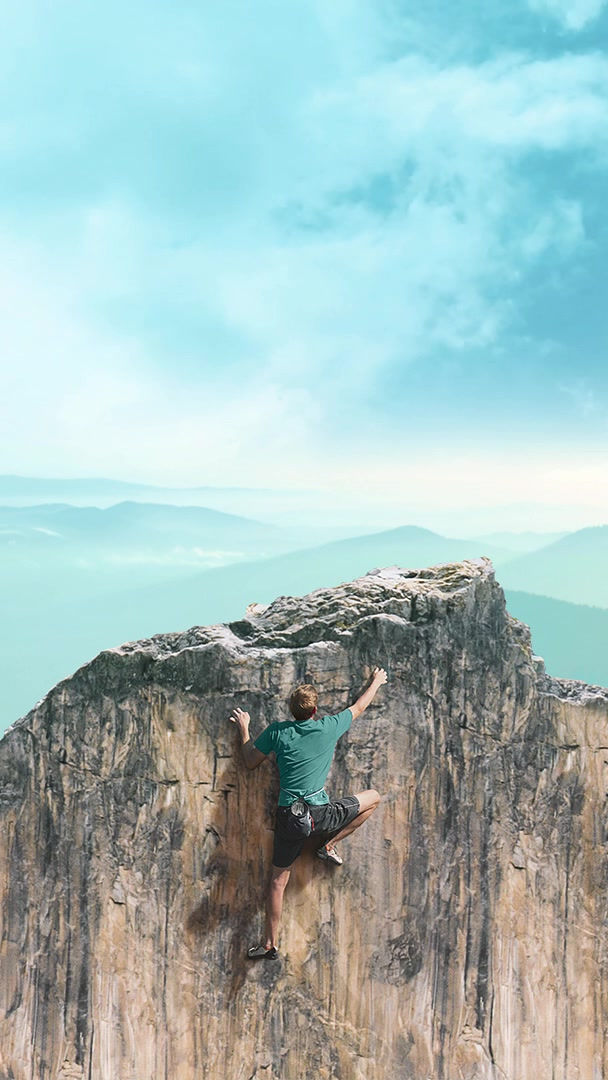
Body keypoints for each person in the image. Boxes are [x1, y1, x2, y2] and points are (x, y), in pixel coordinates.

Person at [229, 666, 388, 960]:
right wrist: (376, 681)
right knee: (374, 798)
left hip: (289, 818)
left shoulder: (278, 732)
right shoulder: (328, 726)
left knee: (277, 882)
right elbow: (359, 706)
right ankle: (329, 844)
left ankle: (269, 944)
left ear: (292, 711)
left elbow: (250, 760)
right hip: (321, 814)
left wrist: (244, 728)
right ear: (315, 710)